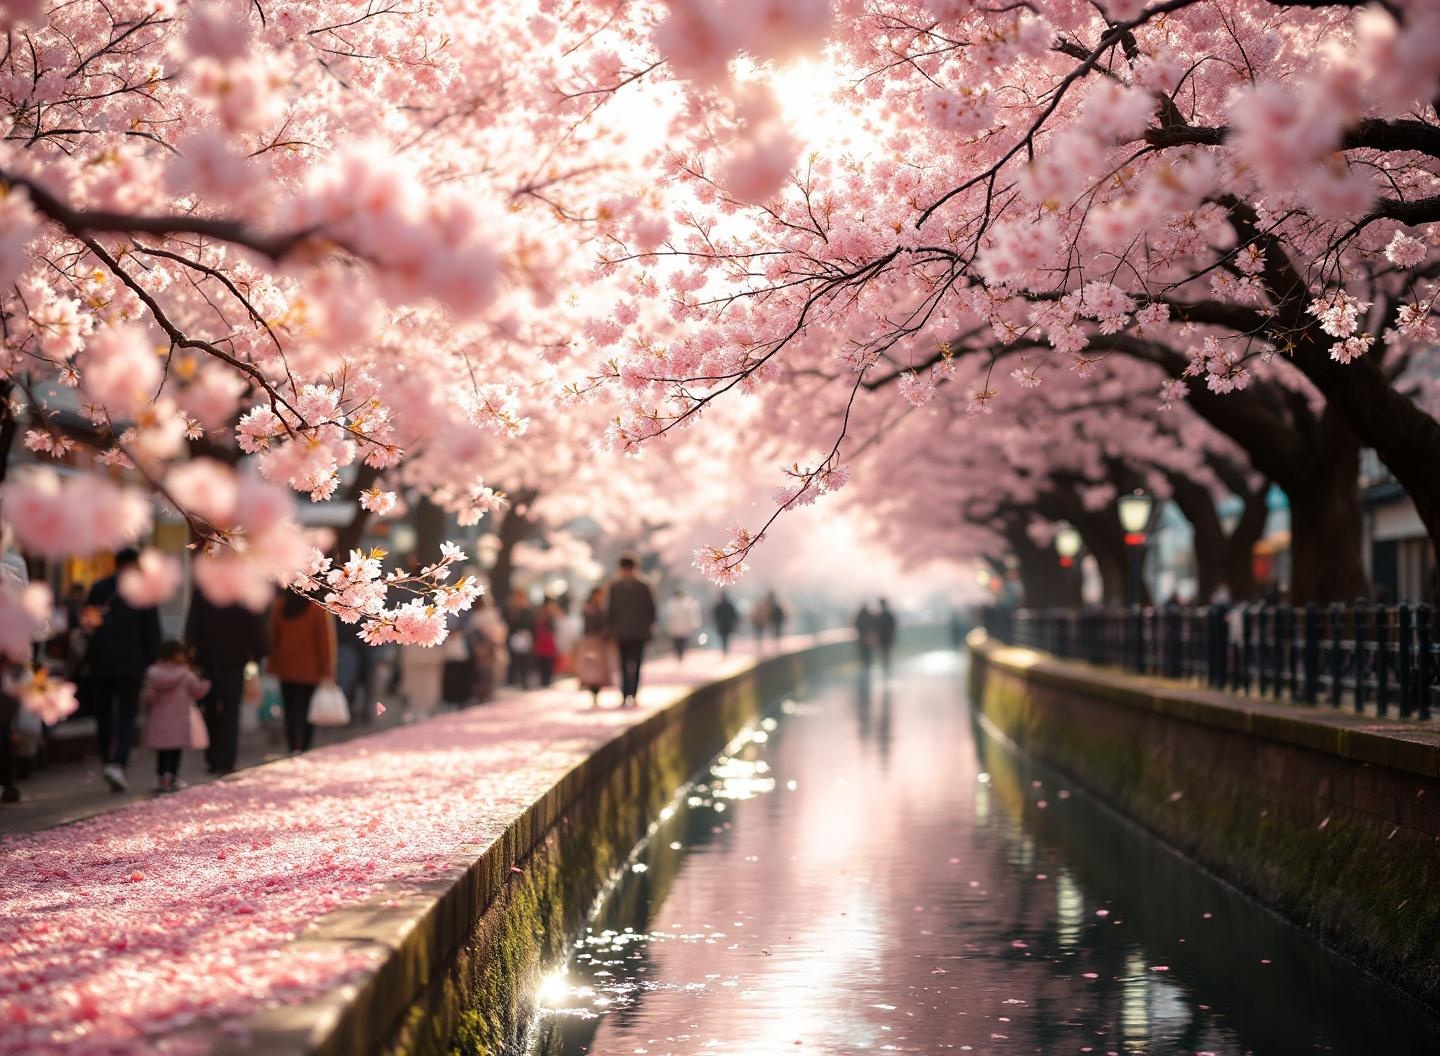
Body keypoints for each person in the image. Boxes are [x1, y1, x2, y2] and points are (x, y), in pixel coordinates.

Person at [85, 548, 162, 792]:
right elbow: (152, 631)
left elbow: (88, 623)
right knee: (127, 716)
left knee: (104, 716)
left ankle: (107, 761)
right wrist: (152, 661)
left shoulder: (99, 588)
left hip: (101, 662)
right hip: (132, 662)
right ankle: (118, 764)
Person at [185, 590, 267, 775]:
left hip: (208, 660)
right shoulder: (241, 589)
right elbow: (255, 623)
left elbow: (192, 622)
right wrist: (258, 652)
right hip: (235, 660)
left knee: (210, 709)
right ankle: (227, 761)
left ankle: (213, 759)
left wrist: (191, 652)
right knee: (230, 711)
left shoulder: (204, 590)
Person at [267, 593, 337, 754]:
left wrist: (273, 663)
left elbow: (273, 638)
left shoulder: (280, 607)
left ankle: (293, 745)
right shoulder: (317, 609)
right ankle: (304, 745)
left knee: (290, 708)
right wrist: (327, 668)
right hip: (310, 668)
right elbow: (324, 641)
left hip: (286, 666)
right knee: (306, 709)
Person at [140, 640, 211, 792]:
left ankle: (161, 776)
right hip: (179, 720)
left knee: (162, 752)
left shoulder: (153, 674)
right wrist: (206, 683)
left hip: (160, 721)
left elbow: (149, 697)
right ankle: (172, 776)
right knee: (175, 751)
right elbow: (197, 692)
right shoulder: (187, 676)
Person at [607, 556, 656, 707]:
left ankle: (626, 694)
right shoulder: (643, 586)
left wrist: (611, 628)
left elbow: (610, 612)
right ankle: (632, 694)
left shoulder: (615, 588)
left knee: (624, 664)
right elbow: (652, 611)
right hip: (638, 632)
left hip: (622, 633)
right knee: (635, 663)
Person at [574, 587, 614, 708]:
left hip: (599, 641)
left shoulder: (600, 608)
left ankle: (596, 691)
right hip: (591, 641)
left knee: (598, 668)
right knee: (591, 667)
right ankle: (593, 691)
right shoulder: (590, 609)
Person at [466, 595, 508, 704]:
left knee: (486, 672)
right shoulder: (489, 614)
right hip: (487, 646)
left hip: (487, 647)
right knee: (486, 672)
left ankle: (486, 694)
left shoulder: (477, 616)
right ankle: (486, 694)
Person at [504, 588, 536, 688]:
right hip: (513, 637)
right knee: (513, 660)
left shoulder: (528, 611)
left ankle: (524, 681)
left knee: (525, 660)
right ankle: (512, 681)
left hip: (525, 637)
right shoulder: (510, 610)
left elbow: (531, 624)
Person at [664, 588, 702, 661]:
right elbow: (668, 617)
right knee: (677, 642)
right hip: (675, 627)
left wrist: (694, 624)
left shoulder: (686, 603)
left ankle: (681, 655)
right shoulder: (671, 604)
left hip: (684, 627)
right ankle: (679, 655)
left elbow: (691, 615)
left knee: (682, 642)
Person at [534, 598, 562, 687]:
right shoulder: (541, 616)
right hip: (542, 644)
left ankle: (546, 684)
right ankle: (544, 684)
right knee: (543, 667)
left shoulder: (553, 617)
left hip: (549, 645)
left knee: (548, 667)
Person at [875, 598, 898, 670]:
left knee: (884, 657)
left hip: (884, 640)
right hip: (886, 640)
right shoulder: (888, 615)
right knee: (885, 657)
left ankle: (886, 670)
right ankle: (886, 671)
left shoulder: (881, 616)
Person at [855, 603, 877, 668]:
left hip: (862, 639)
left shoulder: (859, 616)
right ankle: (867, 665)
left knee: (863, 654)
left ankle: (865, 665)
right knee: (867, 654)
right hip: (867, 639)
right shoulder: (868, 616)